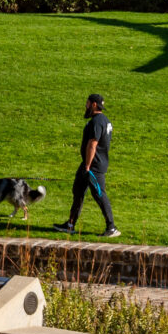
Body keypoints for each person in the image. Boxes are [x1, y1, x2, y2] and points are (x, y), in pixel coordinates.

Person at [59, 93, 120, 237]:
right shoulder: (103, 120)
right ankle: (70, 225)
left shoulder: (97, 122)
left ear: (93, 104)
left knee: (99, 194)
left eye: (87, 103)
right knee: (78, 191)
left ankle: (111, 227)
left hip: (93, 166)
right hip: (89, 164)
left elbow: (93, 144)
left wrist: (87, 166)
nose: (85, 106)